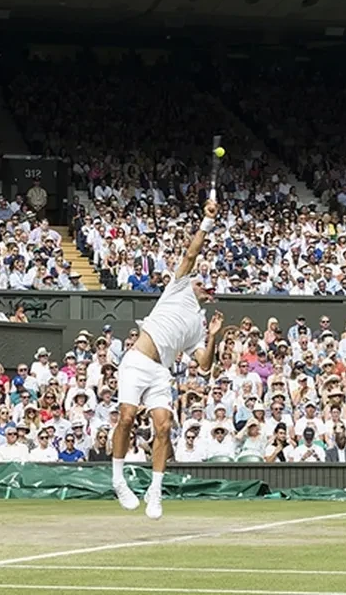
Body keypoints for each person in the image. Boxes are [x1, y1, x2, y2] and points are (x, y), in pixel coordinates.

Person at [112, 198, 224, 520]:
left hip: (161, 373)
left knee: (164, 426)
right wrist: (206, 222)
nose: (200, 281)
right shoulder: (177, 288)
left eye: (206, 284)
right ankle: (118, 479)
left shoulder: (199, 325)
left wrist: (214, 335)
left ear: (209, 294)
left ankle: (156, 492)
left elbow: (203, 364)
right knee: (128, 416)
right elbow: (191, 253)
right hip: (136, 361)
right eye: (199, 278)